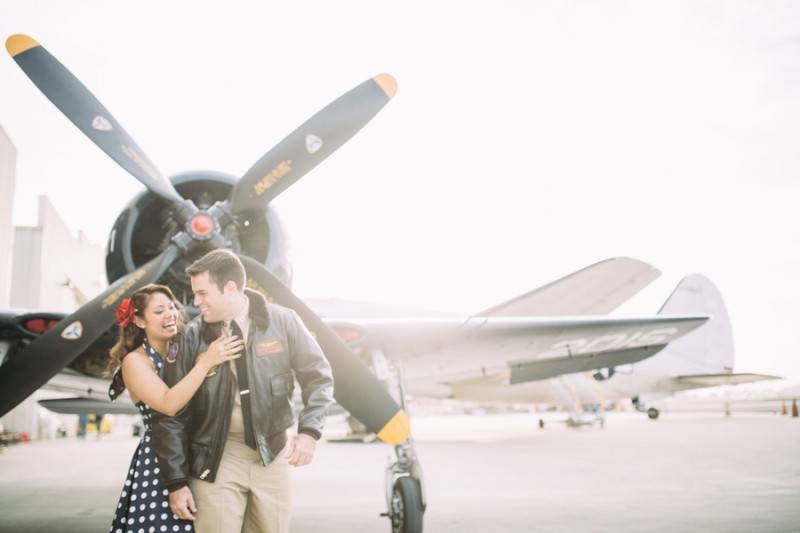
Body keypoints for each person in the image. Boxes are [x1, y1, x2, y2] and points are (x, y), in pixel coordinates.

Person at [152, 249, 334, 533]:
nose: (195, 302)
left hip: (273, 455)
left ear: (230, 288)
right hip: (216, 458)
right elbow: (170, 412)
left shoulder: (285, 322)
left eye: (202, 293)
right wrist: (175, 483)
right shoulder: (189, 336)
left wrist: (310, 432)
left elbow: (319, 377)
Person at [107, 283, 244, 533]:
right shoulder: (135, 362)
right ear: (139, 321)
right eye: (159, 311)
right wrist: (206, 363)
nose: (170, 314)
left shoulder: (184, 350)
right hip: (161, 461)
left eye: (172, 307)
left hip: (197, 454)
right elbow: (169, 404)